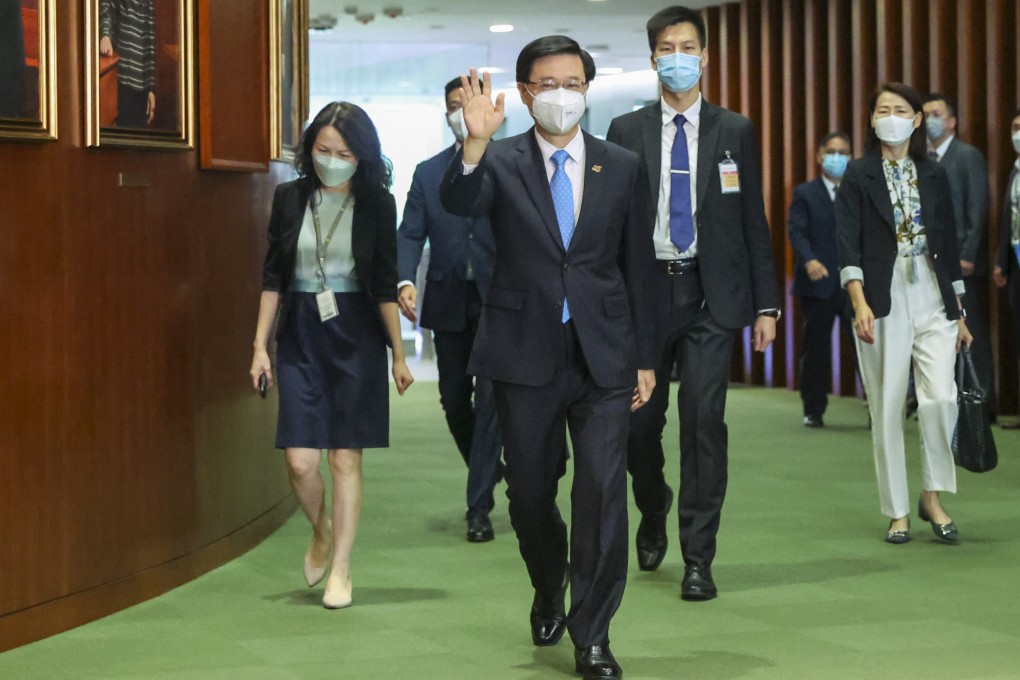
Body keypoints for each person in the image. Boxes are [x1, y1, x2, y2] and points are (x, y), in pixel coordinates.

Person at [440, 37, 657, 680]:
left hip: (605, 353)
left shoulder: (619, 164)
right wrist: (474, 142)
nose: (561, 93)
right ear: (527, 93)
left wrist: (645, 354)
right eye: (547, 83)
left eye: (573, 81)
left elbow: (637, 265)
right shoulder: (500, 161)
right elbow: (459, 202)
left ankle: (593, 634)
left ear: (587, 88)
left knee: (600, 491)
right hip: (523, 349)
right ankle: (547, 582)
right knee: (531, 492)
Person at [606, 5, 780, 600]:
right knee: (639, 426)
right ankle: (652, 506)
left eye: (688, 47)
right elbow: (615, 224)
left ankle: (698, 557)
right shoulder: (626, 131)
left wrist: (767, 305)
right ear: (653, 58)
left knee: (704, 422)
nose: (677, 57)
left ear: (704, 56)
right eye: (666, 48)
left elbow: (752, 218)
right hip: (647, 295)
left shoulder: (735, 130)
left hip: (712, 294)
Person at [249, 102, 413, 609]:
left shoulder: (378, 203)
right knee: (300, 461)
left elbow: (384, 283)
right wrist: (259, 346)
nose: (332, 160)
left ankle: (341, 567)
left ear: (362, 156)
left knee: (345, 455)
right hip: (300, 329)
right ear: (309, 149)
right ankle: (319, 530)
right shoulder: (289, 197)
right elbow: (273, 276)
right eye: (323, 150)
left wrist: (399, 355)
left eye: (344, 153)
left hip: (357, 332)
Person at [834, 83, 972, 545]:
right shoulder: (858, 174)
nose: (889, 117)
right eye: (881, 110)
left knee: (941, 398)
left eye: (900, 110)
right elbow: (846, 242)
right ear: (872, 120)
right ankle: (896, 510)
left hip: (932, 293)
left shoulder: (934, 174)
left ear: (916, 120)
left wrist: (960, 311)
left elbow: (949, 245)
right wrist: (859, 302)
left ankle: (931, 494)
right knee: (888, 405)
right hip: (880, 295)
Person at [396, 77, 502, 543]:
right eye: (455, 106)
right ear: (446, 115)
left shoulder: (513, 164)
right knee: (455, 400)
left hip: (501, 302)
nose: (463, 112)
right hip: (449, 298)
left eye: (470, 103)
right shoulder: (427, 172)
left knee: (494, 401)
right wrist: (403, 280)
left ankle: (477, 506)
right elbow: (409, 234)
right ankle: (492, 468)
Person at [923, 93, 995, 418]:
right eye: (925, 114)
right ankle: (954, 400)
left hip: (963, 264)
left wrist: (967, 254)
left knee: (971, 330)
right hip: (935, 266)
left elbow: (977, 208)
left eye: (936, 113)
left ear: (952, 121)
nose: (929, 119)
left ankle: (982, 404)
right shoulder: (924, 159)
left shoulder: (966, 156)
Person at [788, 132, 857, 428]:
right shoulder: (805, 193)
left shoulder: (858, 192)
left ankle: (877, 406)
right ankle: (813, 409)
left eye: (843, 152)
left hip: (856, 284)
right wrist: (810, 260)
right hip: (818, 284)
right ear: (819, 156)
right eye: (831, 151)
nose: (837, 157)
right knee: (816, 349)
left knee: (865, 348)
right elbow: (797, 232)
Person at [992, 108, 1020, 429]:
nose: (1017, 133)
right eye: (1014, 127)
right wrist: (1001, 260)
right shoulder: (1014, 170)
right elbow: (1007, 219)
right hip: (1015, 263)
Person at [99, 0, 156, 128]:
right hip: (123, 80)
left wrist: (151, 88)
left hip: (143, 86)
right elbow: (106, 7)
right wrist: (105, 34)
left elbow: (150, 44)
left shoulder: (150, 3)